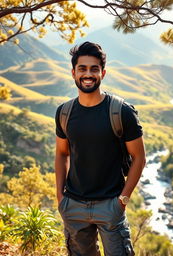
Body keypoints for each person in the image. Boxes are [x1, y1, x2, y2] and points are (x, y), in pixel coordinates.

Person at [55, 41, 146, 256]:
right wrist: (60, 197)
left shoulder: (121, 111)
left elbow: (139, 157)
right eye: (82, 69)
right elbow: (61, 153)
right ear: (73, 73)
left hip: (111, 206)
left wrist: (122, 200)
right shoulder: (64, 112)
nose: (88, 74)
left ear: (102, 73)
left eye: (94, 69)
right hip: (74, 205)